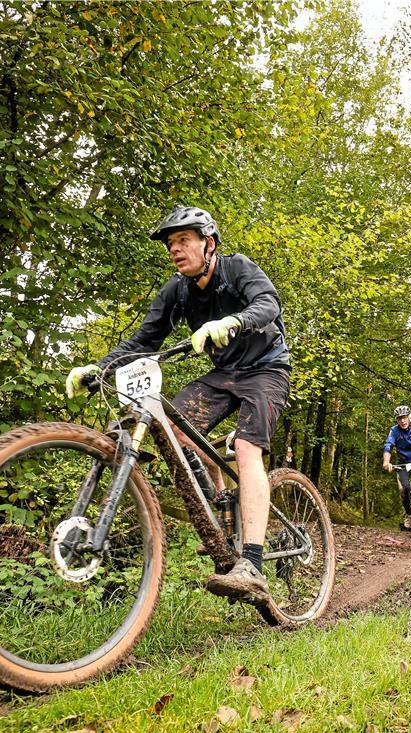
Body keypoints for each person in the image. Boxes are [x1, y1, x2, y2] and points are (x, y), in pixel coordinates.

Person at [65, 205, 290, 605]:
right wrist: (97, 368)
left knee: (246, 447)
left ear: (210, 244)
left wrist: (233, 321)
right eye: (171, 243)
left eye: (185, 240)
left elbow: (269, 303)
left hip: (266, 369)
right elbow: (142, 341)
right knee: (177, 433)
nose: (175, 249)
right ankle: (220, 507)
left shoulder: (236, 269)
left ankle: (252, 565)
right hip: (224, 374)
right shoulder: (177, 291)